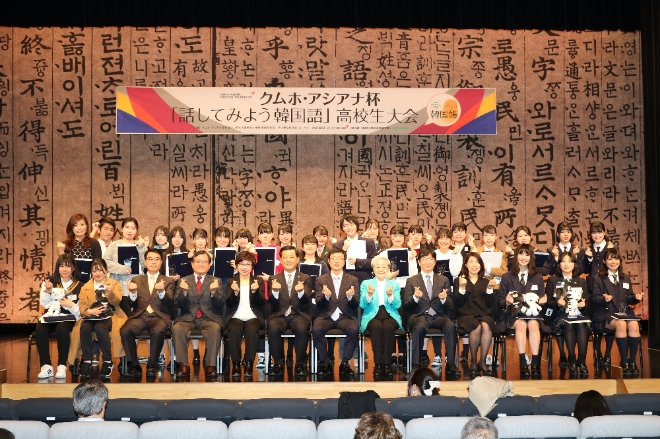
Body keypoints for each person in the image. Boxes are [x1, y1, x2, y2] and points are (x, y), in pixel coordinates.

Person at [404, 247, 460, 378]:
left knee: (450, 326)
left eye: (430, 259)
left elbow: (450, 305)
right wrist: (415, 298)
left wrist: (444, 299)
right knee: (419, 328)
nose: (427, 262)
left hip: (438, 315)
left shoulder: (443, 280)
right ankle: (416, 364)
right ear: (419, 262)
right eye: (424, 259)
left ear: (435, 262)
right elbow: (407, 305)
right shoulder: (411, 280)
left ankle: (451, 363)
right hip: (420, 315)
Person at [121, 248, 176, 378]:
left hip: (159, 316)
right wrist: (133, 293)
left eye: (156, 259)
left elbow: (169, 302)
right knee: (125, 330)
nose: (153, 262)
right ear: (145, 262)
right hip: (140, 316)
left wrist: (162, 291)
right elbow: (132, 304)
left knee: (157, 330)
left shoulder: (168, 281)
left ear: (161, 262)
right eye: (150, 259)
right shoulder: (137, 279)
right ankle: (134, 365)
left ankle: (152, 364)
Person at [497, 244, 548, 377]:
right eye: (521, 254)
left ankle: (535, 362)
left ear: (531, 258)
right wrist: (507, 301)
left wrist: (543, 301)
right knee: (521, 324)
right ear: (516, 256)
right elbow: (500, 299)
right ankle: (523, 362)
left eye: (527, 254)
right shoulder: (507, 276)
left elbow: (541, 297)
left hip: (532, 314)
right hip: (513, 314)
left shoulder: (537, 277)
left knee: (533, 324)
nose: (523, 257)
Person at [172, 250, 224, 379]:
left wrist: (213, 293)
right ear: (192, 264)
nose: (201, 264)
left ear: (210, 264)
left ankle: (210, 365)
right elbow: (178, 303)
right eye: (198, 261)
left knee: (215, 328)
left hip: (208, 317)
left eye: (204, 261)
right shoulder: (183, 280)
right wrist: (183, 292)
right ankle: (184, 364)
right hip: (188, 317)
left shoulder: (216, 280)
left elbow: (220, 303)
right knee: (177, 328)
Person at [592, 248, 642, 376]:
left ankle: (632, 362)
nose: (613, 261)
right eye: (610, 258)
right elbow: (595, 299)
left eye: (615, 258)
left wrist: (635, 298)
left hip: (624, 312)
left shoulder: (625, 278)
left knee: (634, 324)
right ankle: (624, 362)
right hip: (606, 314)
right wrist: (604, 298)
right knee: (621, 324)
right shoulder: (598, 278)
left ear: (620, 261)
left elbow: (629, 297)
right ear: (604, 261)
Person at [267, 245, 313, 376]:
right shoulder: (274, 278)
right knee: (273, 327)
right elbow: (272, 302)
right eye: (285, 257)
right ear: (280, 260)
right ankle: (277, 363)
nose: (288, 260)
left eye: (291, 257)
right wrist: (274, 291)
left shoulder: (305, 278)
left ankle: (300, 363)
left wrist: (301, 292)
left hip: (298, 314)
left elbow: (306, 300)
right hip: (279, 315)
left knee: (302, 328)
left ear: (298, 259)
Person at [313, 247, 360, 375]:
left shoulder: (352, 280)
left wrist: (351, 297)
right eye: (334, 259)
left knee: (354, 329)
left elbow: (355, 304)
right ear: (329, 261)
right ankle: (324, 362)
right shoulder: (320, 280)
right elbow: (319, 303)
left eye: (340, 259)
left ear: (344, 262)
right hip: (326, 316)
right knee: (316, 329)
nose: (337, 261)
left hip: (345, 316)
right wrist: (326, 296)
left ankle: (344, 362)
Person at [36, 254, 82, 380]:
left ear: (73, 268)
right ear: (57, 267)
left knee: (62, 328)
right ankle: (46, 365)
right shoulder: (49, 282)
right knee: (40, 328)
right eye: (61, 266)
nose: (64, 269)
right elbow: (44, 304)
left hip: (68, 317)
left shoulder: (79, 285)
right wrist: (47, 291)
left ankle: (62, 365)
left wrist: (71, 305)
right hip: (51, 316)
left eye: (68, 266)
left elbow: (80, 311)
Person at [77, 258, 125, 378]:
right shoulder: (85, 287)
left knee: (100, 327)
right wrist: (89, 311)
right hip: (90, 317)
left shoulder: (114, 284)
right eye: (94, 271)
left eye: (100, 270)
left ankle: (108, 361)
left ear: (106, 270)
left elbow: (116, 302)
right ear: (91, 273)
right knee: (85, 328)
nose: (97, 274)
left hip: (110, 316)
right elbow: (82, 306)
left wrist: (109, 293)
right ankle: (87, 361)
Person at [545, 252, 590, 377]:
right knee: (569, 324)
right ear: (559, 264)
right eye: (563, 261)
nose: (566, 264)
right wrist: (557, 303)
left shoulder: (581, 281)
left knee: (580, 324)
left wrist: (583, 305)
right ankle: (572, 359)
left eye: (569, 261)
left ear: (574, 264)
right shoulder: (553, 280)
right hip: (559, 315)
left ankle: (581, 361)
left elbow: (586, 300)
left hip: (578, 314)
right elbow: (548, 301)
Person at [454, 253, 496, 377]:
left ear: (481, 265)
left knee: (486, 325)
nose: (474, 265)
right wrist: (462, 288)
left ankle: (482, 361)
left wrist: (489, 290)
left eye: (477, 262)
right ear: (466, 264)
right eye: (471, 262)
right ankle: (473, 360)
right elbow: (457, 303)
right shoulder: (459, 280)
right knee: (476, 326)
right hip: (465, 315)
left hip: (483, 313)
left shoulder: (486, 281)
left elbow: (489, 304)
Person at [359, 255, 402, 379]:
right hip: (372, 315)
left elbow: (398, 304)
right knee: (376, 326)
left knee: (388, 326)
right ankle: (378, 364)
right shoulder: (366, 283)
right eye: (377, 266)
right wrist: (369, 294)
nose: (381, 269)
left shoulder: (394, 284)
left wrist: (390, 296)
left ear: (389, 269)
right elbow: (362, 305)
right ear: (373, 269)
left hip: (390, 314)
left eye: (384, 266)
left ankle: (387, 364)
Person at [382, 225, 417, 367]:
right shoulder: (384, 254)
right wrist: (388, 276)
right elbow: (378, 273)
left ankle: (402, 353)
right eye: (394, 235)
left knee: (403, 320)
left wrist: (411, 259)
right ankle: (390, 352)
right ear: (390, 237)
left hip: (404, 288)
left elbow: (414, 274)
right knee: (389, 320)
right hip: (388, 288)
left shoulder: (410, 253)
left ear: (405, 238)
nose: (397, 238)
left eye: (400, 236)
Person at [226, 251, 265, 377]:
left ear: (252, 267)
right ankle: (236, 363)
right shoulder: (231, 281)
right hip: (236, 316)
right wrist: (235, 293)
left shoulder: (258, 281)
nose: (244, 267)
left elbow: (261, 303)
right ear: (236, 266)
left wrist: (254, 291)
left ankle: (249, 362)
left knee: (252, 329)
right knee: (234, 328)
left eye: (248, 264)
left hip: (253, 316)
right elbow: (229, 304)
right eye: (241, 264)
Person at [103, 217, 148, 316]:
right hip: (118, 284)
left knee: (134, 315)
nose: (130, 230)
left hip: (135, 285)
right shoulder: (114, 245)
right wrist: (121, 268)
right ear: (122, 229)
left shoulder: (140, 245)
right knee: (120, 315)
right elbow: (105, 262)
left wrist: (141, 248)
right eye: (127, 227)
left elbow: (145, 264)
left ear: (136, 231)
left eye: (133, 228)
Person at [333, 213, 378, 286]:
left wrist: (357, 262)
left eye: (351, 224)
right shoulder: (337, 245)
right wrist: (343, 250)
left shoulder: (368, 242)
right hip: (344, 282)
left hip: (364, 282)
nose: (349, 228)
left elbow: (374, 262)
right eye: (345, 225)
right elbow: (334, 264)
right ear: (342, 228)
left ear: (357, 226)